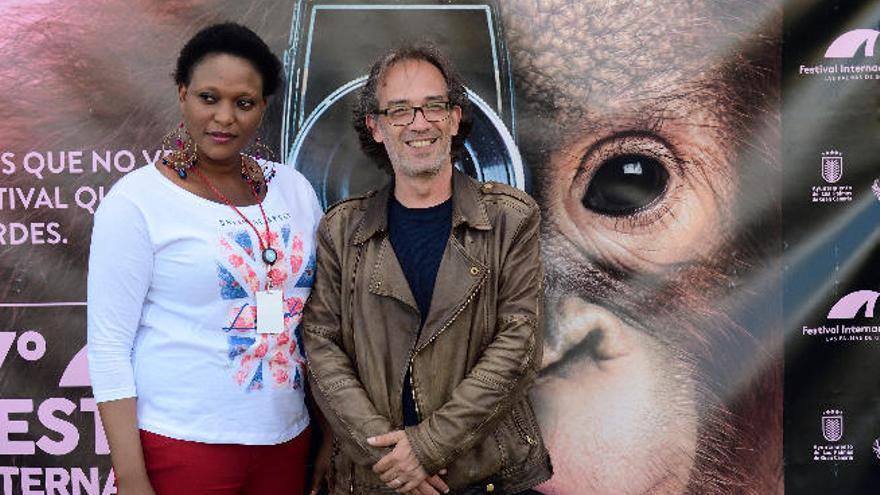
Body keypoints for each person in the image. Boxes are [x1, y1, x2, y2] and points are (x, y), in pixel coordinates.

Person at [87, 23, 329, 495]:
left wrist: (329, 435)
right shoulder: (137, 201)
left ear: (263, 109)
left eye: (244, 103)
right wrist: (133, 478)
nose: (224, 117)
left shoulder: (294, 190)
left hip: (287, 440)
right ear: (182, 95)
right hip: (181, 445)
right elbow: (109, 347)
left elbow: (319, 321)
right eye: (208, 97)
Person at [302, 44, 552, 495]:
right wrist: (391, 459)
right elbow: (322, 347)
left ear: (454, 119)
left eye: (433, 106)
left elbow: (519, 345)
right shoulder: (342, 229)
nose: (419, 122)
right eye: (399, 110)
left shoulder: (510, 219)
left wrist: (426, 448)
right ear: (375, 127)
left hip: (483, 476)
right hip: (374, 480)